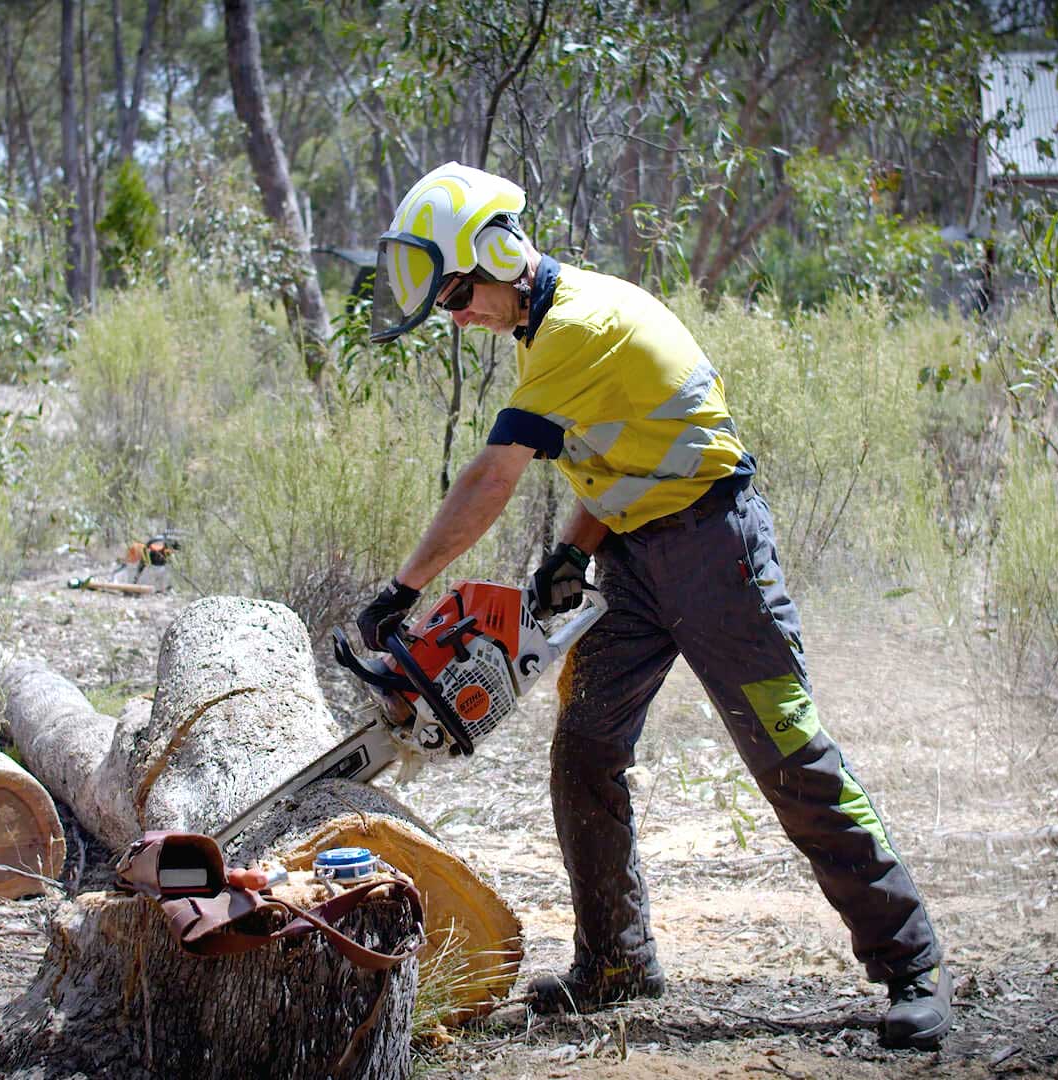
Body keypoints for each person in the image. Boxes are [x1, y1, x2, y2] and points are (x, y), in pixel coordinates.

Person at [355, 162, 952, 1050]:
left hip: (717, 552)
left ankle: (912, 964)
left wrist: (402, 590)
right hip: (637, 557)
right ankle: (617, 961)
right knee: (586, 745)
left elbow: (490, 479)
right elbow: (624, 443)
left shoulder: (580, 323)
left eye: (456, 293)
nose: (455, 315)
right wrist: (573, 551)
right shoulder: (546, 327)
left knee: (787, 751)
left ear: (498, 254)